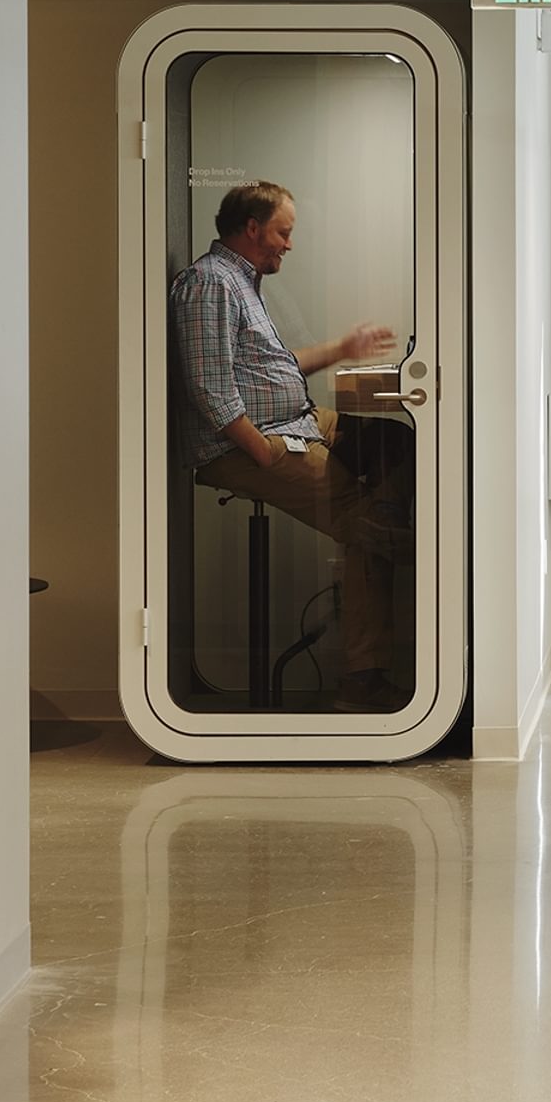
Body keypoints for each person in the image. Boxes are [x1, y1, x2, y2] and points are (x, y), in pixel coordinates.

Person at [169, 180, 413, 712]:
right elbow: (209, 386)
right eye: (285, 231)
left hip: (296, 421)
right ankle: (363, 679)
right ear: (253, 228)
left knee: (395, 442)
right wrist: (261, 451)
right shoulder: (211, 284)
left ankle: (381, 536)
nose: (289, 244)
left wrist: (345, 349)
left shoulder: (242, 283)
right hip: (253, 444)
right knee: (369, 526)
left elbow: (272, 369)